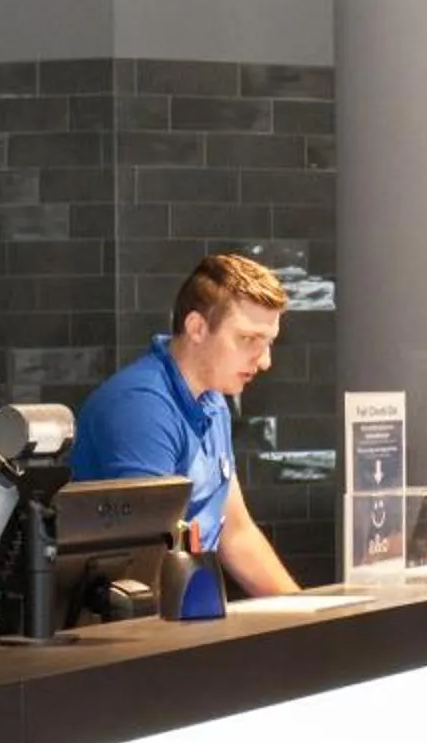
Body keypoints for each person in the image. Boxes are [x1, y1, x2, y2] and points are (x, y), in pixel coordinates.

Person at [71, 252, 300, 595]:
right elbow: (146, 563)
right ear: (197, 328)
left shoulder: (212, 400)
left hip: (183, 615)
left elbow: (236, 534)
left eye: (268, 343)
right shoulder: (141, 407)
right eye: (249, 339)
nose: (265, 361)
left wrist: (304, 615)